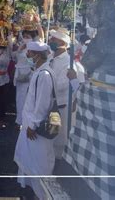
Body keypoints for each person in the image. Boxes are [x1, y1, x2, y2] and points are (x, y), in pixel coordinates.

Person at [14, 41, 55, 200]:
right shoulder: (39, 72)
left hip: (35, 128)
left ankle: (42, 195)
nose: (27, 56)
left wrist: (33, 125)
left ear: (37, 55)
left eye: (29, 53)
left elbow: (42, 105)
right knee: (29, 161)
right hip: (29, 125)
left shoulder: (44, 75)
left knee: (39, 164)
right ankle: (32, 193)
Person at [47, 28, 73, 159]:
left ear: (62, 42)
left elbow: (61, 86)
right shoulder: (50, 57)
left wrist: (45, 81)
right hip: (47, 102)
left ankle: (58, 162)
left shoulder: (69, 62)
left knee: (58, 136)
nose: (50, 41)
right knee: (47, 134)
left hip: (59, 106)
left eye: (54, 39)